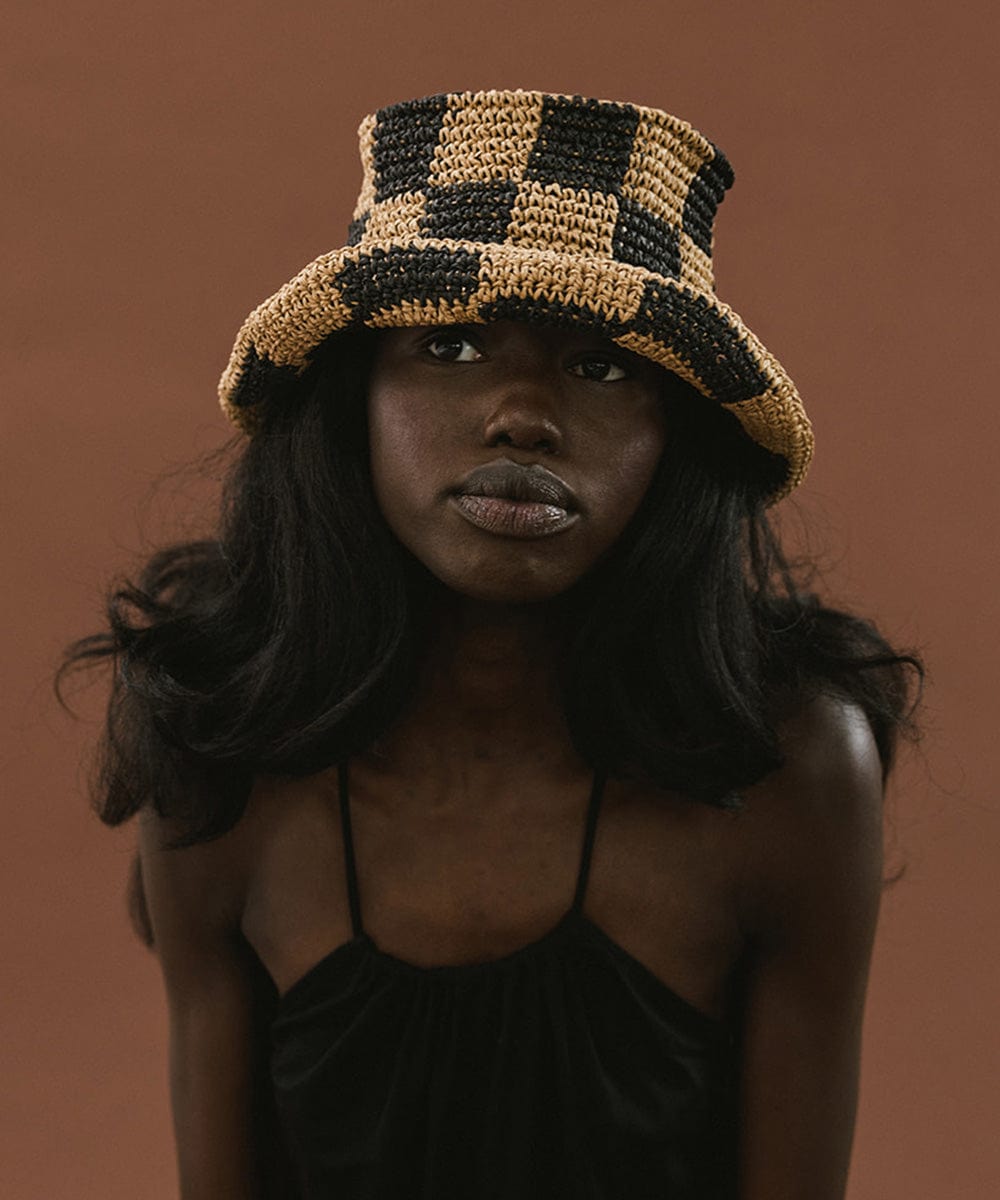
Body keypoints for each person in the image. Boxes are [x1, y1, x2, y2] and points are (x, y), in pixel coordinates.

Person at [61, 90, 923, 1199]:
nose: (524, 413)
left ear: (680, 436)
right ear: (352, 396)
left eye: (604, 367)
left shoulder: (792, 765)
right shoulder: (218, 743)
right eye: (452, 344)